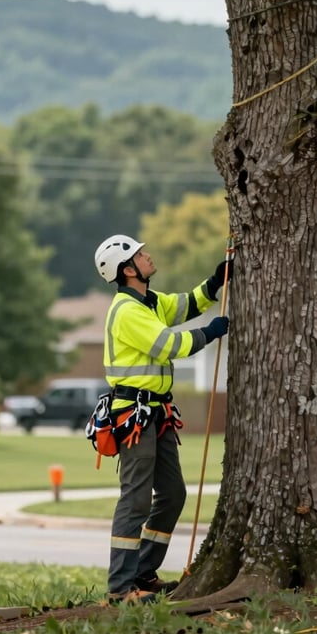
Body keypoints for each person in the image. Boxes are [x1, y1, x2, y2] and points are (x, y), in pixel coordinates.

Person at [93, 233, 231, 603]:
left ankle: (142, 573)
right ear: (128, 270)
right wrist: (210, 333)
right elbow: (170, 345)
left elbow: (185, 305)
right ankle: (121, 588)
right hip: (133, 415)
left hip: (155, 412)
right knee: (135, 501)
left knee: (172, 494)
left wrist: (215, 282)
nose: (148, 256)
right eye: (141, 254)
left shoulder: (150, 302)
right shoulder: (128, 311)